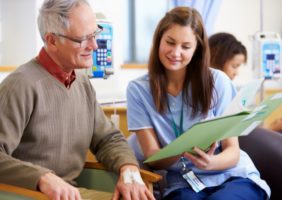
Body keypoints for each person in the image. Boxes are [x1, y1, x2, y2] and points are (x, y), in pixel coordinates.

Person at [0, 0, 155, 200]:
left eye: (94, 34)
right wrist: (42, 178)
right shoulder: (20, 86)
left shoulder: (81, 81)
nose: (94, 45)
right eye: (83, 39)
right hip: (29, 194)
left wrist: (128, 168)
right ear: (52, 40)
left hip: (72, 193)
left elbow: (108, 139)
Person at [126, 7, 270, 200]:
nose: (175, 52)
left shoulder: (218, 81)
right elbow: (154, 158)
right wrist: (185, 149)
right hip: (184, 182)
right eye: (170, 42)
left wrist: (210, 162)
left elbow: (232, 152)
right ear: (158, 40)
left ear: (197, 49)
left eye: (186, 46)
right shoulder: (138, 90)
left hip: (232, 175)